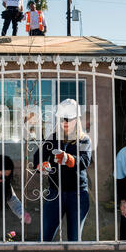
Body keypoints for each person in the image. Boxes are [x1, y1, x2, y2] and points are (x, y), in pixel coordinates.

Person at [34, 99, 92, 242]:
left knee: (74, 240)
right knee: (44, 239)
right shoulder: (53, 138)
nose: (65, 122)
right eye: (62, 119)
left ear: (76, 119)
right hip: (55, 193)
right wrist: (41, 166)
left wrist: (68, 159)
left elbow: (84, 161)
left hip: (78, 195)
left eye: (69, 118)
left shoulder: (84, 140)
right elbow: (38, 157)